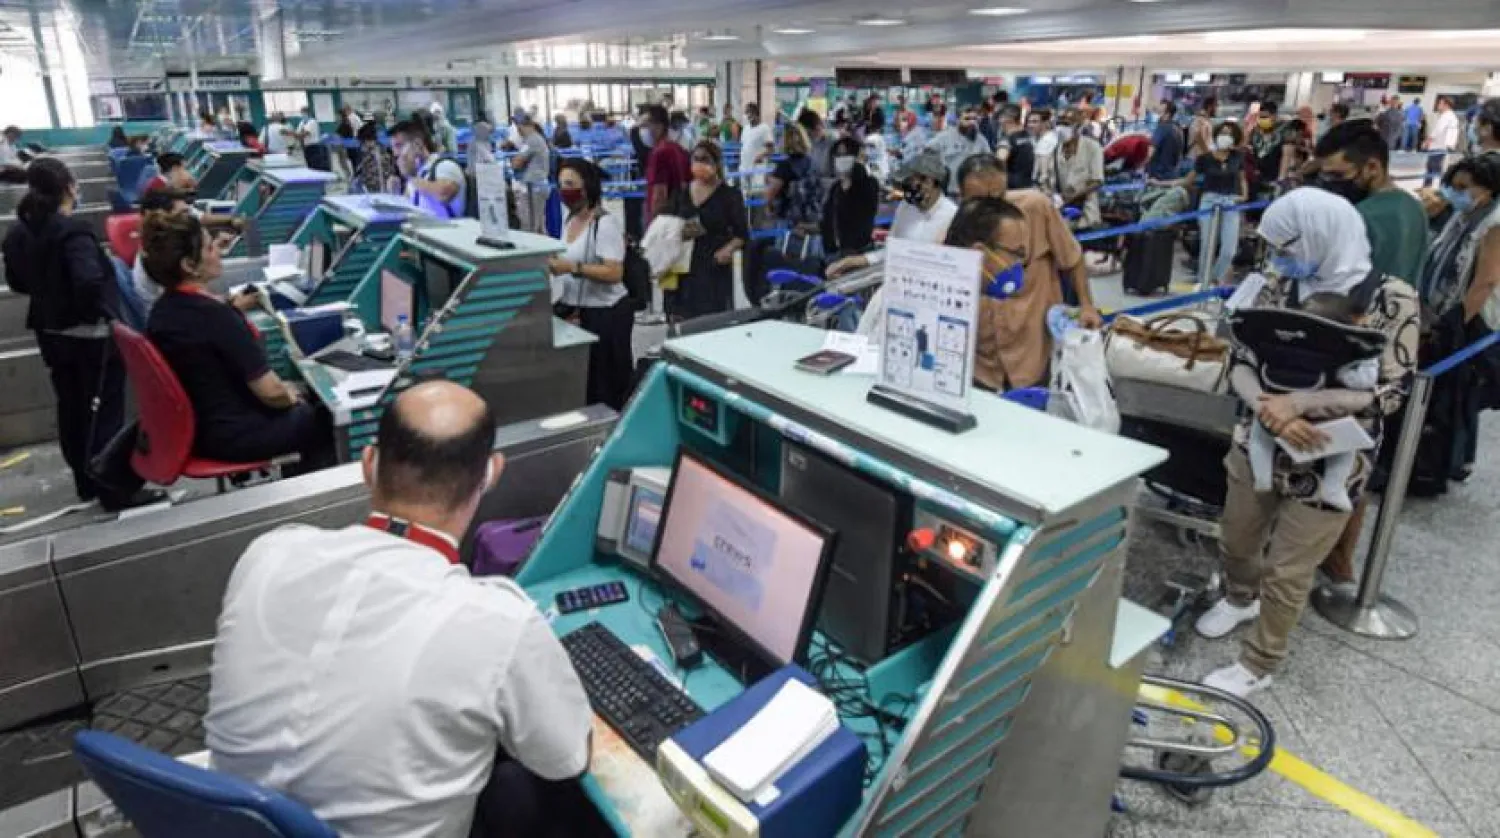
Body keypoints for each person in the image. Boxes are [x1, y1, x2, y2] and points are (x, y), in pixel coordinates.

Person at [206, 380, 603, 838]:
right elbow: (567, 758)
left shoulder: (268, 554)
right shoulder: (496, 620)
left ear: (368, 463)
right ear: (491, 474)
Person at [1199, 190, 1417, 698]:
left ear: (1321, 234)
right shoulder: (1278, 283)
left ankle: (1260, 660)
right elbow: (1239, 362)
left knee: (1291, 567)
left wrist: (1301, 406)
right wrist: (1268, 409)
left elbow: (1391, 388)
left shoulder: (1392, 297)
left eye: (1287, 246)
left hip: (1332, 449)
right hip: (1260, 434)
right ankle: (1238, 597)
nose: (1278, 258)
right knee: (1236, 535)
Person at [1, 159, 159, 510]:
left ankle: (86, 484)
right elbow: (88, 280)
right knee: (105, 413)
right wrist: (100, 315)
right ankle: (115, 490)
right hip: (91, 337)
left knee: (71, 410)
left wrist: (52, 297)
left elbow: (16, 281)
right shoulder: (73, 231)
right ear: (70, 186)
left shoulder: (18, 232)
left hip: (50, 333)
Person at [142, 211, 336, 474]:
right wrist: (290, 396)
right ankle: (313, 499)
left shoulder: (163, 311)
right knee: (323, 415)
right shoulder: (215, 317)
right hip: (235, 436)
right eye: (210, 248)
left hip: (202, 430)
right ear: (189, 264)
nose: (218, 253)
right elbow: (271, 392)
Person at [956, 154, 1101, 391]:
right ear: (961, 198)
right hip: (983, 358)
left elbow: (1072, 257)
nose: (994, 209)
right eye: (981, 202)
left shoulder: (1035, 207)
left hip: (1031, 346)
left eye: (999, 197)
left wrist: (1086, 305)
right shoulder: (954, 233)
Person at [1416, 155, 1500, 481]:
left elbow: (1485, 281)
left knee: (1461, 390)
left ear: (1489, 190)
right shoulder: (1464, 216)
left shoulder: (1493, 225)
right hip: (1443, 308)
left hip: (1473, 319)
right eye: (1452, 185)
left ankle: (1451, 460)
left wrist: (1457, 323)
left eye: (1464, 188)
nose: (1455, 192)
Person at [548, 159, 633, 410]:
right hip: (577, 311)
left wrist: (573, 268)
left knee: (606, 385)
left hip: (606, 315)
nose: (565, 190)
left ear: (588, 187)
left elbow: (614, 271)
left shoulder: (604, 224)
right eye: (561, 184)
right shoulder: (569, 220)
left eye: (571, 184)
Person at [1315, 121, 1431, 286]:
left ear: (1372, 167)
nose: (1331, 183)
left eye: (1338, 175)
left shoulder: (1360, 216)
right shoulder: (1415, 207)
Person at [673, 142, 748, 319]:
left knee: (712, 319)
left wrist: (728, 249)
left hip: (714, 266)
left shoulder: (730, 195)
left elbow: (742, 234)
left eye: (705, 159)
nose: (699, 164)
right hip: (684, 264)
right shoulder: (681, 192)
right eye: (695, 159)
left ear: (716, 163)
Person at [1173, 121, 1246, 286]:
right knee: (1207, 245)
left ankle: (1214, 277)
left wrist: (1244, 196)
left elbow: (1242, 179)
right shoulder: (1205, 158)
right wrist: (1164, 184)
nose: (1225, 137)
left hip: (1230, 202)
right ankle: (1203, 283)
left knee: (1229, 250)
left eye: (1229, 134)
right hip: (1208, 201)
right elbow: (1187, 180)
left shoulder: (1238, 157)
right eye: (1222, 133)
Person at [1040, 107, 1105, 229]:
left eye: (1066, 124)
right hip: (1059, 213)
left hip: (1085, 212)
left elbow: (1097, 181)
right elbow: (1046, 178)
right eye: (1059, 123)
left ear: (1078, 127)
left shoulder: (1092, 147)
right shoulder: (1053, 148)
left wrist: (1069, 196)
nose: (1061, 128)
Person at [820, 135, 880, 259]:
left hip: (858, 252)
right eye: (838, 155)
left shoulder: (869, 184)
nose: (841, 159)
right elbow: (829, 219)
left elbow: (861, 215)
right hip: (833, 253)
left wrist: (857, 169)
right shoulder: (835, 187)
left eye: (846, 154)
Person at [393, 120, 466, 219]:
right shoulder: (417, 175)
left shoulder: (444, 166)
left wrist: (411, 178)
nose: (395, 153)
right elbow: (405, 209)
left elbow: (443, 194)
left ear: (417, 144)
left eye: (399, 146)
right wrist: (395, 192)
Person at [766, 123, 822, 229]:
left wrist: (769, 208)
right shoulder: (812, 162)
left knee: (785, 244)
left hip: (790, 220)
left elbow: (770, 194)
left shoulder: (784, 166)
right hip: (811, 217)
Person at [926, 106, 991, 197]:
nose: (972, 122)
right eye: (967, 119)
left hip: (973, 192)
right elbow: (926, 152)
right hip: (950, 192)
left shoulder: (981, 140)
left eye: (975, 119)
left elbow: (989, 163)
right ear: (958, 120)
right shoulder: (944, 137)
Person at [643, 104, 690, 227]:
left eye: (646, 125)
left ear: (658, 126)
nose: (643, 130)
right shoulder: (678, 149)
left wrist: (653, 227)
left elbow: (659, 195)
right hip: (679, 217)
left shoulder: (660, 153)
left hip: (663, 221)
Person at [508, 112, 550, 232]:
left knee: (530, 226)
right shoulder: (534, 139)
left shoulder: (532, 140)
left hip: (533, 187)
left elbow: (516, 163)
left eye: (519, 125)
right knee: (539, 226)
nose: (518, 129)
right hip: (537, 185)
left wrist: (514, 161)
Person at [1247, 102, 1284, 196]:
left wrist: (1280, 180)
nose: (1262, 120)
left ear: (1274, 116)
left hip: (1273, 178)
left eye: (1265, 117)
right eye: (1260, 117)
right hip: (1256, 179)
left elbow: (1285, 158)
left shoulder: (1283, 134)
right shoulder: (1254, 133)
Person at [994, 104, 1035, 190]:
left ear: (1008, 119)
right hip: (1029, 185)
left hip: (1012, 188)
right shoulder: (1028, 137)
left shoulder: (1006, 141)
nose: (999, 121)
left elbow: (999, 161)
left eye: (1001, 117)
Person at [1424, 97, 1461, 188]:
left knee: (1432, 167)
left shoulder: (1446, 116)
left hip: (1439, 146)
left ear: (1446, 105)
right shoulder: (1452, 116)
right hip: (1444, 146)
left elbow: (1438, 130)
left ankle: (1428, 187)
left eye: (1440, 103)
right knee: (1437, 168)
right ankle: (1436, 187)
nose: (1438, 105)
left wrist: (1428, 140)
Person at [354, 122, 398, 194]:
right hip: (386, 188)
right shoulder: (384, 149)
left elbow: (361, 174)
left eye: (361, 143)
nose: (361, 146)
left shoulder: (369, 154)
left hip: (375, 189)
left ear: (366, 141)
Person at [738, 102, 774, 189]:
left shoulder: (764, 128)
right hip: (744, 165)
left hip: (757, 167)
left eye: (748, 112)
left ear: (755, 113)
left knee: (757, 192)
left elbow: (771, 149)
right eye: (745, 113)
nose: (747, 115)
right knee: (744, 193)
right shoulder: (746, 128)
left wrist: (760, 156)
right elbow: (744, 146)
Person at [1147, 100, 1184, 182]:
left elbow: (1149, 153)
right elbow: (1180, 155)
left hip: (1158, 177)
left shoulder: (1162, 128)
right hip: (1172, 175)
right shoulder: (1178, 129)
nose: (1156, 115)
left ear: (1167, 114)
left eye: (1159, 112)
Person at [1027, 109, 1058, 185]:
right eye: (1029, 122)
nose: (1030, 125)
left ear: (1045, 123)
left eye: (1035, 122)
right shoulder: (1034, 139)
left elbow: (1045, 172)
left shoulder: (1049, 140)